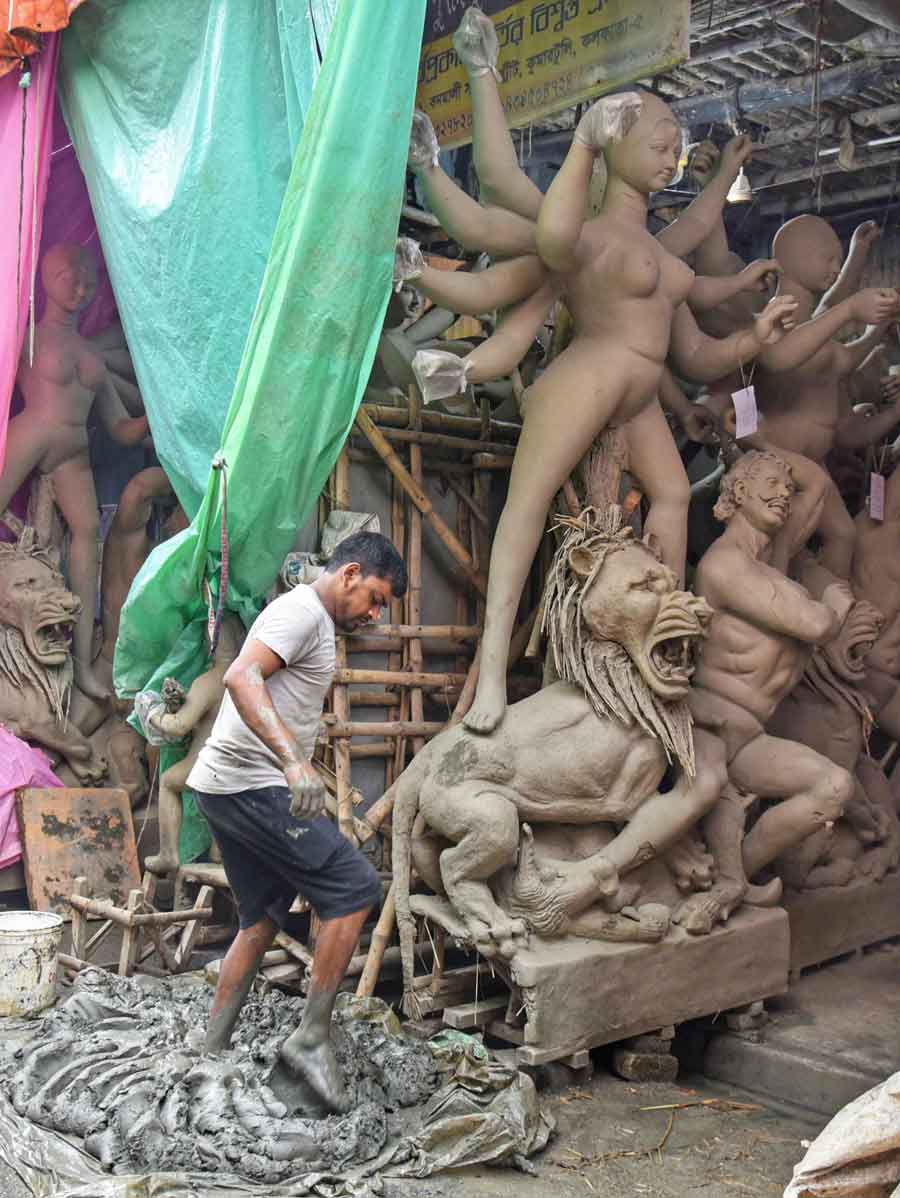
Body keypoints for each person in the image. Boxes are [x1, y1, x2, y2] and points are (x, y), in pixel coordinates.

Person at [187, 531, 408, 1113]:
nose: (375, 613)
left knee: (260, 919)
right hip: (250, 784)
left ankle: (210, 1052)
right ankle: (310, 1040)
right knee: (355, 888)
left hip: (224, 786)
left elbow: (277, 694)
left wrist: (299, 748)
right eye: (376, 598)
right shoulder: (301, 612)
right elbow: (241, 677)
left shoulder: (314, 621)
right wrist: (292, 762)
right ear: (351, 573)